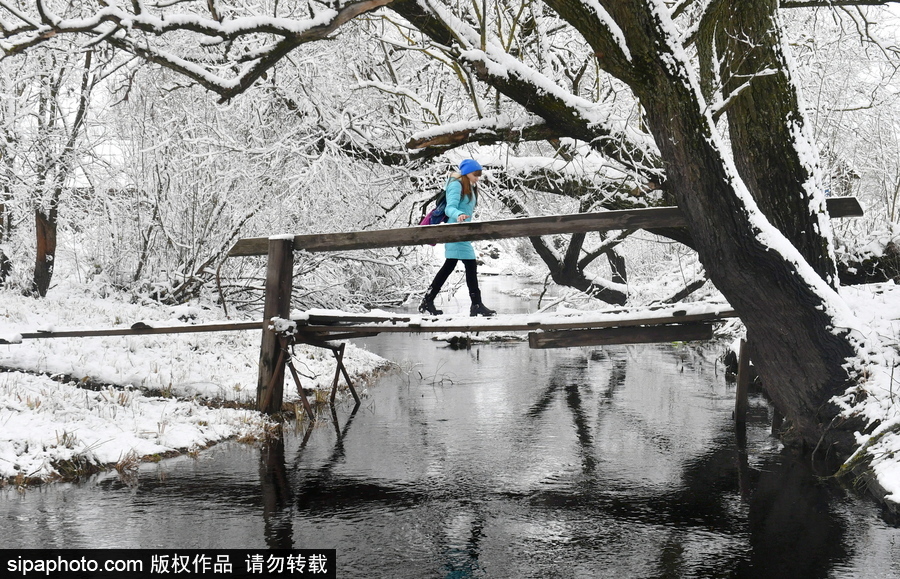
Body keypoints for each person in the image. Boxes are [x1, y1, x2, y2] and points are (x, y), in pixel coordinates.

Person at [419, 159, 496, 317]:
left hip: (462, 231)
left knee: (450, 266)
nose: (478, 177)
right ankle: (476, 304)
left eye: (480, 174)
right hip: (455, 230)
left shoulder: (470, 186)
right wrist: (459, 215)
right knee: (468, 265)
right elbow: (449, 208)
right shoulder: (456, 184)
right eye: (476, 174)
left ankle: (428, 299)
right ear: (467, 172)